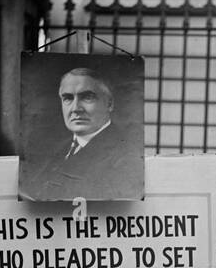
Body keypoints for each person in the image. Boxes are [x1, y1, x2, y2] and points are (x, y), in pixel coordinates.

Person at [20, 67, 134, 201]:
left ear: (109, 103)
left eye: (87, 97)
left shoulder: (125, 155)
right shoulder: (58, 149)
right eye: (68, 98)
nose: (75, 109)